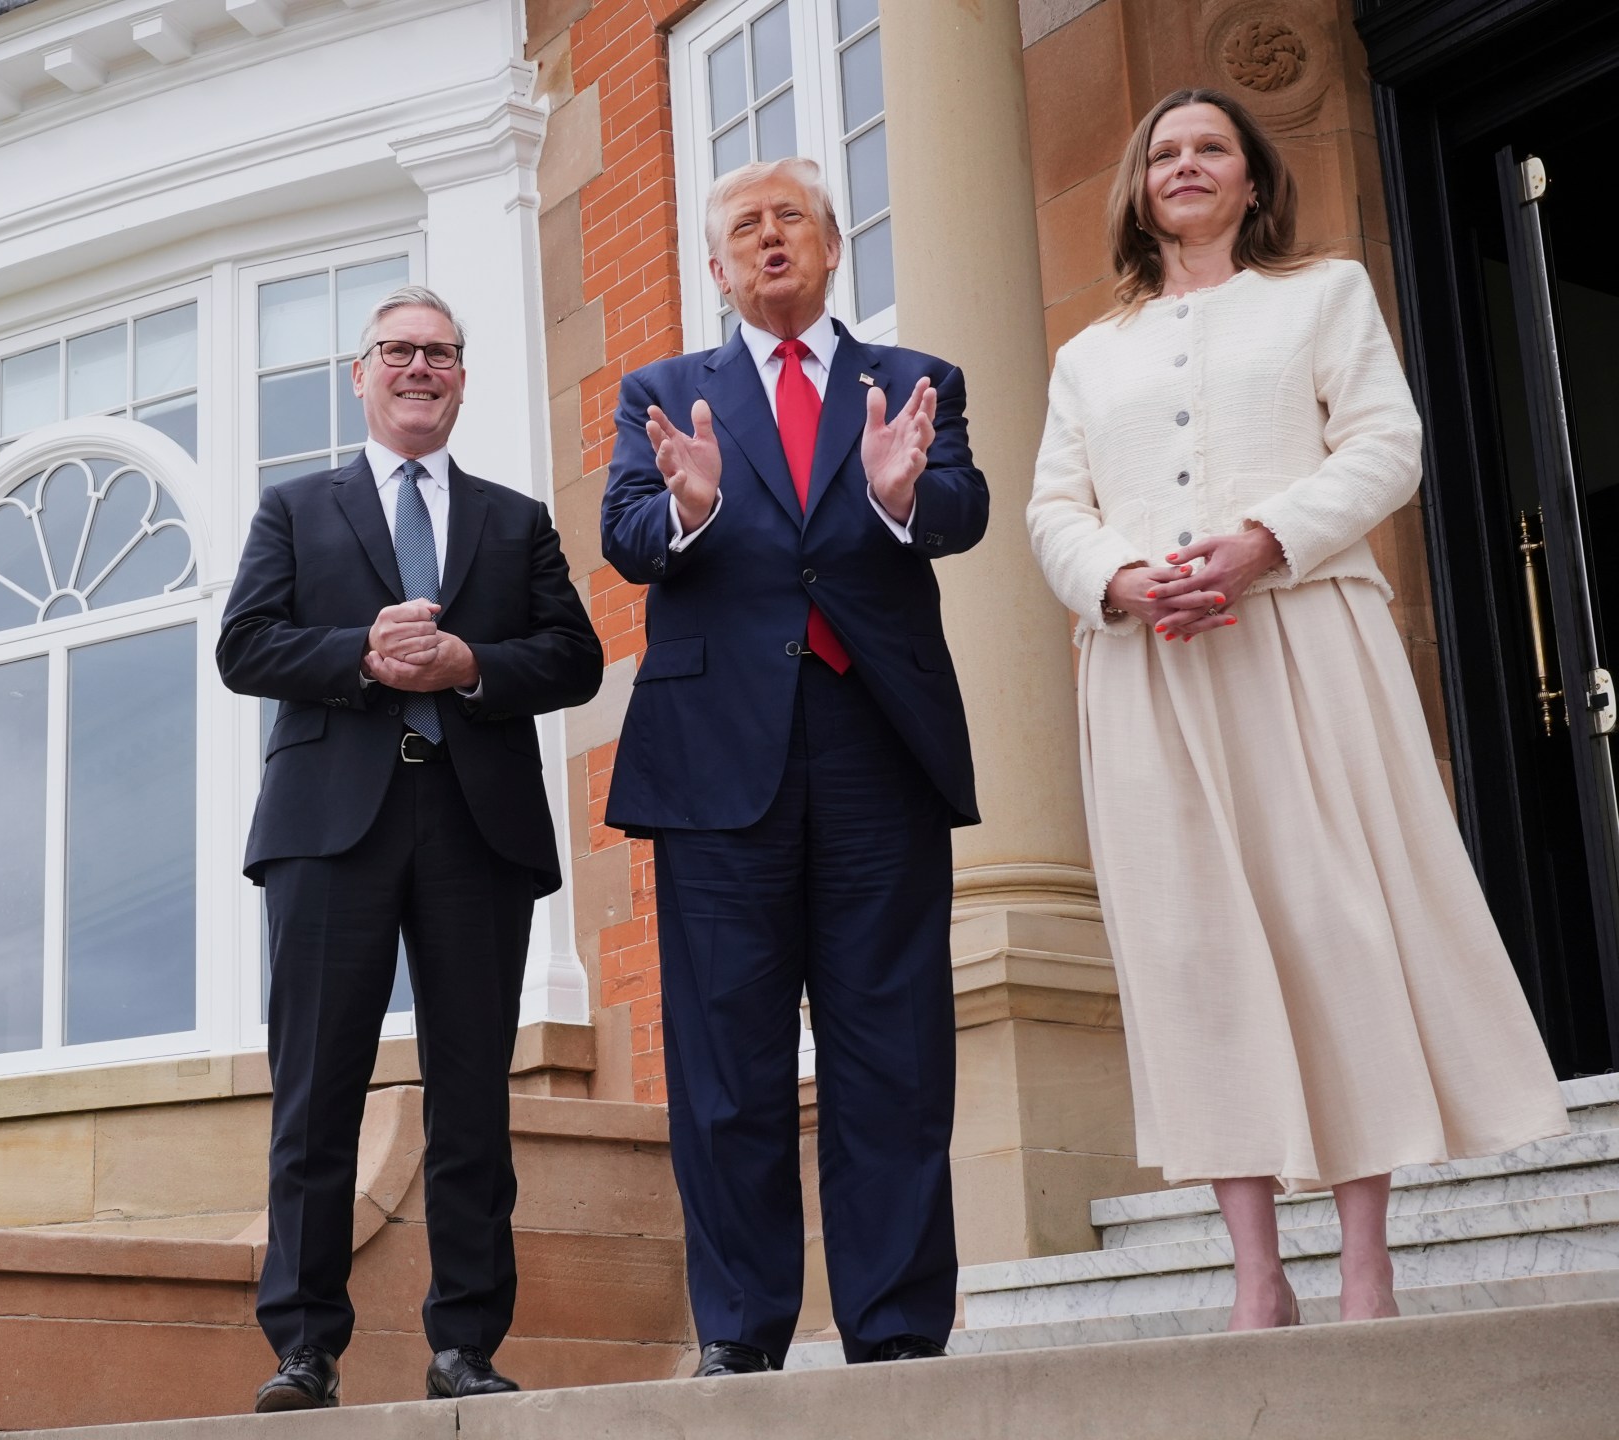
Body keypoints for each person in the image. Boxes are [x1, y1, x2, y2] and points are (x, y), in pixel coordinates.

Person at [1026, 87, 1569, 1329]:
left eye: (1211, 147)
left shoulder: (1321, 297)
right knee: (1193, 954)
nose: (1186, 164)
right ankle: (1256, 1272)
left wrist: (1263, 542)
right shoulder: (1085, 355)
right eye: (1164, 151)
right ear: (1137, 186)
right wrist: (1119, 578)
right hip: (1151, 673)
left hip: (1304, 646)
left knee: (1335, 928)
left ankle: (1365, 1257)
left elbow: (1386, 445)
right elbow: (1053, 506)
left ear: (1254, 180)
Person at [601, 156, 988, 1371]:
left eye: (790, 220)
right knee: (727, 1071)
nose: (769, 239)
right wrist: (694, 510)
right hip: (720, 769)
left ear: (830, 247)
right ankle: (741, 1336)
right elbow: (625, 535)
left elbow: (962, 511)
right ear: (715, 267)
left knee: (894, 1054)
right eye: (742, 228)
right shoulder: (664, 392)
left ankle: (895, 1329)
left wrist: (894, 500)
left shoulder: (913, 382)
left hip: (877, 745)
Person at [218, 285, 602, 1410]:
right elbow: (244, 646)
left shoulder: (515, 518)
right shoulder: (296, 509)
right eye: (398, 350)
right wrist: (360, 655)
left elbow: (571, 659)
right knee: (315, 1091)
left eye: (439, 352)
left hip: (474, 827)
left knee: (474, 1097)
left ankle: (466, 1348)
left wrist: (469, 665)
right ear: (360, 373)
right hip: (328, 827)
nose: (418, 368)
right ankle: (302, 1348)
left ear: (463, 376)